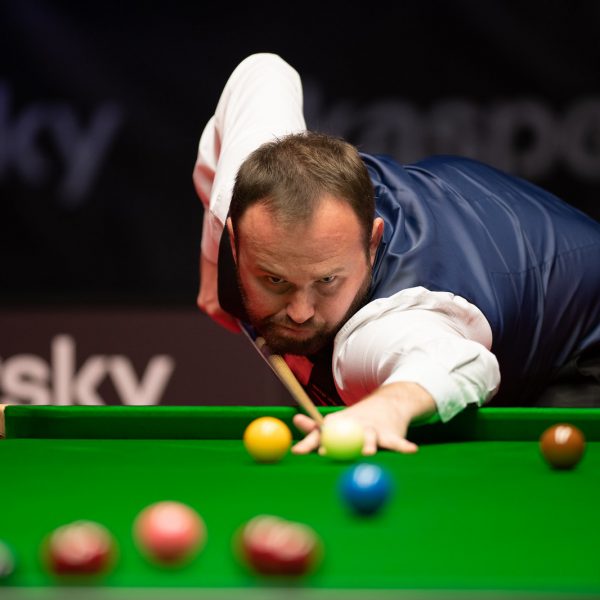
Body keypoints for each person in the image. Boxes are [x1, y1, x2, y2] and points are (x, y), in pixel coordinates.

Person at [193, 53, 600, 455]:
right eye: (275, 280)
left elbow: (462, 364)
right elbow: (264, 71)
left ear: (372, 244)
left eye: (327, 280)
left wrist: (385, 408)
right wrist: (213, 267)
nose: (300, 312)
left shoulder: (388, 323)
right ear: (235, 241)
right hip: (495, 240)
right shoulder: (243, 191)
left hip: (583, 340)